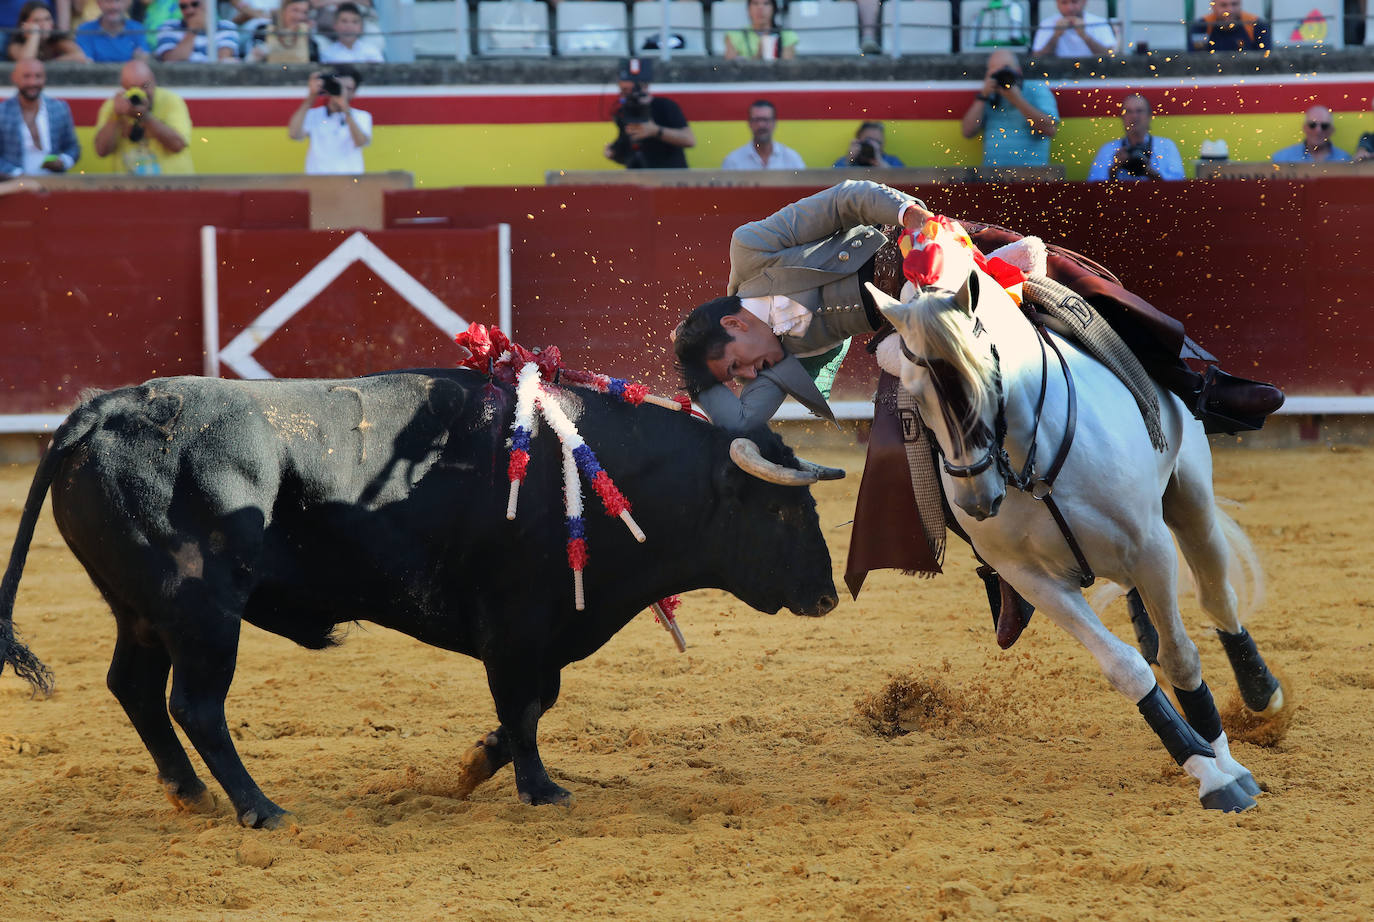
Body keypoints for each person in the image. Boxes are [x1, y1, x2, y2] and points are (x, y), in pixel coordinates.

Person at [960, 49, 1058, 167]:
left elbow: (1050, 129)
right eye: (996, 71)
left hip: (1032, 176)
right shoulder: (988, 94)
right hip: (994, 176)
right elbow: (967, 132)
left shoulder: (1036, 89)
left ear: (1018, 72)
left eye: (1006, 69)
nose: (1002, 75)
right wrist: (982, 96)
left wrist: (1017, 100)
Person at [93, 58, 193, 173]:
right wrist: (115, 116)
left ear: (154, 81)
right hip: (128, 188)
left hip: (172, 187)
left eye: (145, 86)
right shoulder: (113, 106)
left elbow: (178, 145)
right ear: (123, 87)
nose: (141, 93)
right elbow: (101, 151)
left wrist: (145, 117)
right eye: (133, 88)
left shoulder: (171, 101)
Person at [603, 57, 693, 170]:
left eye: (627, 90)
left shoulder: (665, 106)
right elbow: (629, 151)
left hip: (669, 176)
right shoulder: (623, 112)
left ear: (644, 87)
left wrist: (655, 131)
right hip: (638, 178)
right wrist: (613, 152)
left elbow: (689, 140)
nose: (623, 95)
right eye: (621, 90)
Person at [287, 64, 371, 174]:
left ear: (354, 92)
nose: (343, 91)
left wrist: (345, 108)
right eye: (339, 87)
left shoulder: (362, 116)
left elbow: (360, 142)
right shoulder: (315, 114)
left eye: (348, 88)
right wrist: (312, 95)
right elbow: (294, 134)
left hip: (350, 182)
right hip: (318, 181)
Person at [0, 58, 78, 175]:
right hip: (15, 186)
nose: (33, 82)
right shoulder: (2, 111)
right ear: (14, 78)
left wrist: (63, 161)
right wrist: (18, 175)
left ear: (45, 78)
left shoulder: (59, 108)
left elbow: (73, 148)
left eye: (38, 76)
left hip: (54, 185)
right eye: (26, 76)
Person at [1086, 93, 1185, 181]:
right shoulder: (1108, 149)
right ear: (1122, 117)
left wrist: (1149, 171)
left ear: (1149, 116)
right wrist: (1114, 168)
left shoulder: (1166, 146)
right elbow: (1094, 189)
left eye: (1139, 111)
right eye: (1128, 111)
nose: (1134, 116)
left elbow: (1177, 186)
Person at [721, 99, 806, 170]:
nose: (761, 125)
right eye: (757, 120)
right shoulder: (733, 161)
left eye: (765, 119)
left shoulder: (792, 159)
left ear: (774, 123)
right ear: (749, 123)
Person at [153, 0, 239, 61]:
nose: (189, 10)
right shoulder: (169, 27)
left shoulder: (225, 26)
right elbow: (171, 60)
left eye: (195, 4)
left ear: (207, 4)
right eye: (183, 6)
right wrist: (193, 31)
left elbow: (222, 59)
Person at [1031, 0, 1118, 57]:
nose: (1070, 8)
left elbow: (1111, 55)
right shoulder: (1047, 24)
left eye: (1074, 2)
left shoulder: (1099, 22)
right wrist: (1055, 36)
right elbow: (1037, 57)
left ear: (1084, 2)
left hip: (1095, 77)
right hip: (1058, 77)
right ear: (1057, 4)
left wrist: (1085, 36)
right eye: (1064, 3)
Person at [7, 0, 86, 60]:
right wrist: (34, 36)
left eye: (47, 19)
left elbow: (80, 56)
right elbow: (27, 61)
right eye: (36, 20)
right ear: (24, 25)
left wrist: (49, 65)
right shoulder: (16, 44)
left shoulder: (57, 39)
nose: (43, 25)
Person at [1272, 105, 1352, 163]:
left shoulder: (1345, 159)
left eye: (1324, 126)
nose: (1318, 130)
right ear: (1304, 128)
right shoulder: (1282, 159)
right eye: (1312, 125)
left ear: (1332, 130)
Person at [247, 0, 318, 62]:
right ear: (283, 10)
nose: (300, 16)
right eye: (295, 10)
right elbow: (250, 61)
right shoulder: (263, 30)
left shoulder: (308, 36)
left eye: (304, 12)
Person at [74, 0, 147, 60]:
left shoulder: (137, 28)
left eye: (118, 1)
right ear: (99, 3)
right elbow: (85, 62)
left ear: (127, 3)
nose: (113, 6)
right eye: (108, 1)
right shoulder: (85, 30)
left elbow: (144, 57)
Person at [723, 0, 796, 60]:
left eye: (766, 3)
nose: (760, 8)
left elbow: (788, 69)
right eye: (755, 3)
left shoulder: (786, 34)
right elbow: (732, 70)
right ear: (748, 9)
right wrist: (758, 56)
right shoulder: (734, 35)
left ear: (774, 9)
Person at [1189, 0, 1270, 51]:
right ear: (1213, 6)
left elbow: (1267, 60)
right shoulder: (1202, 26)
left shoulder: (1255, 24)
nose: (1230, 10)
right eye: (1223, 5)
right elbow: (1195, 59)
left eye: (1234, 4)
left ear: (1240, 4)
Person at [832, 121, 904, 168]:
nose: (872, 145)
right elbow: (832, 182)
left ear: (883, 143)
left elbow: (901, 183)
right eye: (868, 140)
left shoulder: (893, 161)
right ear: (858, 141)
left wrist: (879, 162)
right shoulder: (846, 161)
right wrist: (848, 159)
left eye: (877, 142)